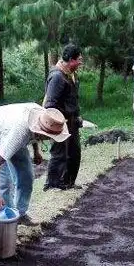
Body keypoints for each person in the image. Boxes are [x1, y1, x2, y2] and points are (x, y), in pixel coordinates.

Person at [0, 103, 70, 226]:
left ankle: (21, 214)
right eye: (48, 137)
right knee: (4, 181)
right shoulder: (19, 134)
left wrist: (36, 151)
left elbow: (33, 135)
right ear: (41, 132)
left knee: (26, 176)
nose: (50, 139)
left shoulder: (47, 118)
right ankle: (8, 218)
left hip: (11, 128)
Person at [43, 43, 83, 190]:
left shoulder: (70, 74)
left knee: (74, 153)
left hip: (72, 121)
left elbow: (72, 98)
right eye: (78, 60)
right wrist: (59, 123)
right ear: (71, 60)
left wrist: (76, 116)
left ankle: (68, 182)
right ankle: (53, 185)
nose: (80, 62)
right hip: (60, 122)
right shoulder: (57, 77)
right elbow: (50, 104)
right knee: (59, 153)